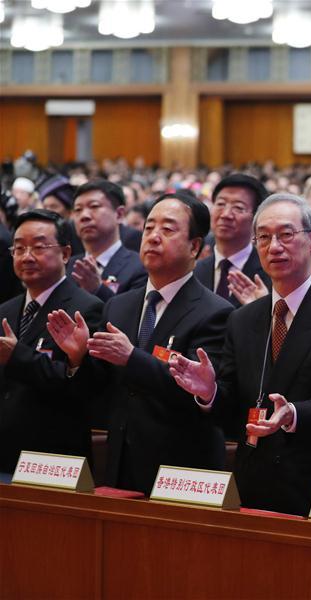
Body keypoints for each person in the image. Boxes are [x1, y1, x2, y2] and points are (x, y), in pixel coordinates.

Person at [169, 193, 311, 516]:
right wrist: (209, 392)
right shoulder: (243, 318)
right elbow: (232, 405)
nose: (274, 246)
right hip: (254, 485)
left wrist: (293, 413)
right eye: (263, 237)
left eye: (286, 235)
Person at [46, 191, 234, 494]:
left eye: (168, 229)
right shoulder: (118, 306)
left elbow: (196, 392)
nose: (154, 237)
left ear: (195, 246)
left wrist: (131, 356)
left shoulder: (217, 312)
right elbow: (101, 387)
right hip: (122, 463)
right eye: (149, 228)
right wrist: (78, 357)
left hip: (182, 469)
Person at [0, 210, 103, 473]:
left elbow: (85, 388)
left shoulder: (87, 309)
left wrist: (17, 356)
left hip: (52, 459)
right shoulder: (6, 310)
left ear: (66, 254)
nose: (27, 256)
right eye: (19, 248)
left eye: (39, 246)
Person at [193, 174, 271, 308]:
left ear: (257, 219)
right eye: (220, 204)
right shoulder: (194, 271)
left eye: (238, 207)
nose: (225, 214)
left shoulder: (271, 272)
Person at [68, 181, 147, 302]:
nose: (84, 216)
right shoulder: (68, 265)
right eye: (78, 210)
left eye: (94, 206)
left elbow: (130, 317)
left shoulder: (139, 267)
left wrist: (98, 289)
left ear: (119, 214)